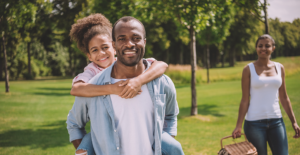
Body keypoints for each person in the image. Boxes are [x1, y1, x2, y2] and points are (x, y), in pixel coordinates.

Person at [67, 15, 184, 155]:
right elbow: (74, 123)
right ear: (115, 44)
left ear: (144, 42)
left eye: (136, 38)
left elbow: (170, 116)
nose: (129, 44)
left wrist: (165, 145)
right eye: (122, 39)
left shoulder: (161, 82)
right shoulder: (91, 86)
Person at [232, 34, 300, 155]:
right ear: (256, 48)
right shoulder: (248, 69)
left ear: (273, 48)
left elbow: (284, 97)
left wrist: (294, 122)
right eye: (260, 46)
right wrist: (238, 125)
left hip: (276, 121)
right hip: (254, 124)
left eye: (267, 46)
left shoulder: (280, 68)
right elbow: (244, 100)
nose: (263, 48)